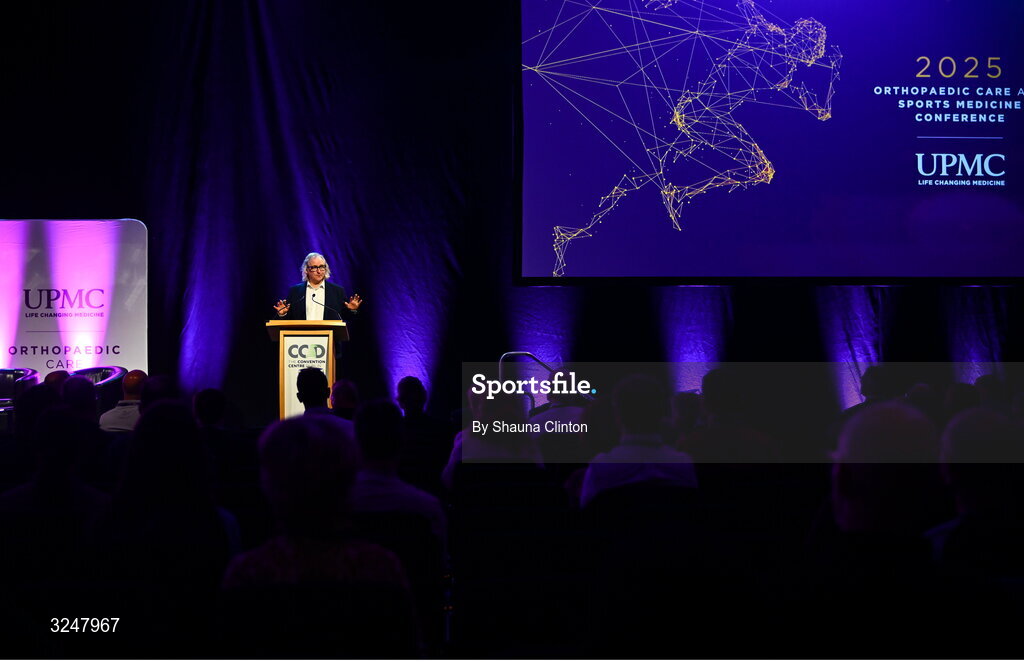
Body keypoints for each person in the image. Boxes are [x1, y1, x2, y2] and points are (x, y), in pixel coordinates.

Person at [272, 252, 363, 321]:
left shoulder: (337, 291)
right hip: (301, 338)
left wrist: (352, 310)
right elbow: (289, 319)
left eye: (322, 267)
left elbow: (344, 318)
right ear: (306, 269)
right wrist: (282, 314)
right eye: (314, 267)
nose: (319, 271)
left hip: (329, 338)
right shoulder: (295, 291)